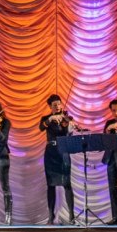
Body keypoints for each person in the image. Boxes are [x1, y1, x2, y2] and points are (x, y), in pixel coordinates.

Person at [38, 94, 76, 223]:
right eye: (55, 105)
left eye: (59, 104)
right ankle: (51, 216)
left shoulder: (67, 118)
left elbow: (69, 132)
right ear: (50, 107)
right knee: (51, 185)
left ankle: (72, 216)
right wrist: (50, 119)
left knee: (67, 184)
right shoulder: (46, 119)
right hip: (50, 152)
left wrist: (70, 127)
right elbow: (41, 127)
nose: (58, 107)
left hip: (63, 152)